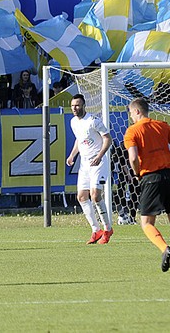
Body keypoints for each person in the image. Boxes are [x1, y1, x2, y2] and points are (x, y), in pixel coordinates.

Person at [124, 97, 170, 273]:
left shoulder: (132, 131)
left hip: (151, 178)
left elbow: (133, 158)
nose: (131, 116)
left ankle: (164, 248)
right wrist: (169, 162)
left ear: (137, 111)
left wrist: (137, 174)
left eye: (131, 113)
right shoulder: (163, 125)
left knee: (146, 223)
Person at [66, 94, 114, 244]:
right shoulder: (73, 122)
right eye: (73, 105)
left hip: (98, 162)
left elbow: (108, 139)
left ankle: (107, 228)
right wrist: (72, 155)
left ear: (84, 105)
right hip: (84, 164)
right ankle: (96, 230)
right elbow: (79, 140)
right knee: (81, 197)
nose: (75, 108)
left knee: (95, 195)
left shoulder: (94, 121)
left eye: (78, 105)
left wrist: (100, 156)